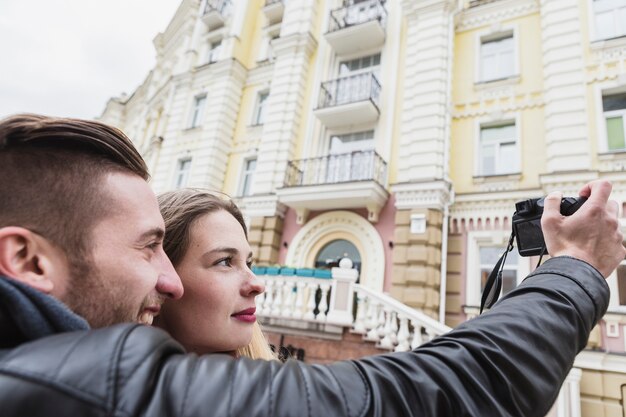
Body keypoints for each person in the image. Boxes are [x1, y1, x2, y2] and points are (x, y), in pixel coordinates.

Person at [0, 113, 624, 417]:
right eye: (147, 247)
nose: (164, 278)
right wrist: (576, 266)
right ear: (26, 258)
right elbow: (438, 393)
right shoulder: (92, 387)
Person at [155, 189, 276, 360]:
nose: (257, 285)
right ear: (163, 283)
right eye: (224, 261)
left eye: (248, 264)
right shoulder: (111, 383)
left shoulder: (270, 384)